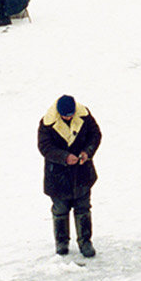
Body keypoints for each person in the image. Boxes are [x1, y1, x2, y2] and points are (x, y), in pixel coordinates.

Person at [38, 95, 102, 257]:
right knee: (60, 210)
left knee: (83, 208)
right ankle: (61, 242)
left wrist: (87, 152)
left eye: (71, 114)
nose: (69, 117)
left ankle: (85, 242)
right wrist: (64, 157)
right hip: (57, 176)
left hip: (82, 173)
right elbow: (44, 147)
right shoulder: (47, 123)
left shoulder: (85, 116)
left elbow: (95, 135)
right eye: (65, 115)